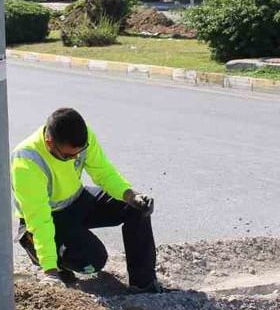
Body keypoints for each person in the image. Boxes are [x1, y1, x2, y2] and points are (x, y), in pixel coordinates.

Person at [11, 108, 165, 293]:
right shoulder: (27, 161)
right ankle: (45, 255)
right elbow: (39, 219)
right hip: (50, 217)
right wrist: (50, 271)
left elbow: (103, 172)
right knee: (93, 260)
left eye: (79, 153)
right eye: (68, 156)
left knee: (136, 208)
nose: (75, 158)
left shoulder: (82, 138)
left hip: (76, 199)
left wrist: (131, 195)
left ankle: (143, 283)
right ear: (49, 142)